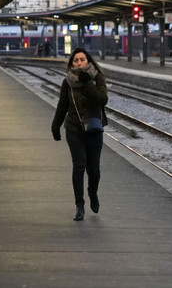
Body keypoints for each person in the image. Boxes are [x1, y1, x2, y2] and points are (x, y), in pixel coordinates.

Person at [52, 47, 109, 221]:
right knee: (79, 166)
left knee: (94, 170)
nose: (79, 62)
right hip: (74, 128)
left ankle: (93, 193)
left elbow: (102, 99)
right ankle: (79, 205)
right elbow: (63, 105)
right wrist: (56, 125)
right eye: (75, 60)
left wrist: (88, 83)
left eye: (82, 59)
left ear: (88, 61)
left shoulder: (97, 77)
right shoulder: (67, 82)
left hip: (93, 129)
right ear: (71, 64)